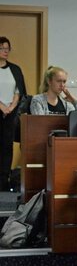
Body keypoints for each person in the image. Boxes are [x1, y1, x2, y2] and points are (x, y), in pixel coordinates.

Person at [0, 37, 26, 191]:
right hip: (2, 110)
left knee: (7, 147)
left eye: (7, 48)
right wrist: (2, 106)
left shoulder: (15, 69)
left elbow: (19, 91)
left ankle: (3, 181)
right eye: (2, 48)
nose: (5, 51)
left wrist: (10, 107)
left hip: (10, 114)